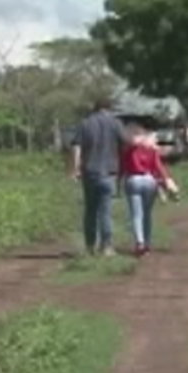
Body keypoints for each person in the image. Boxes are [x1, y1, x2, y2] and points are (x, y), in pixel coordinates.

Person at [69, 97, 130, 257]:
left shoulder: (85, 123)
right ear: (109, 108)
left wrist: (75, 169)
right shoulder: (116, 123)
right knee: (105, 211)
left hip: (89, 172)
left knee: (90, 210)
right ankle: (107, 247)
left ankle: (90, 246)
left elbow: (76, 147)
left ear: (94, 108)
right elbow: (126, 143)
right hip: (109, 172)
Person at [119, 125, 180, 256]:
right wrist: (166, 180)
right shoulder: (151, 149)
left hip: (133, 180)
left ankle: (139, 243)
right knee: (147, 214)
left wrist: (118, 182)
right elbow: (158, 166)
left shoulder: (128, 149)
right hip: (149, 181)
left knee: (136, 215)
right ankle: (147, 244)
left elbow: (122, 166)